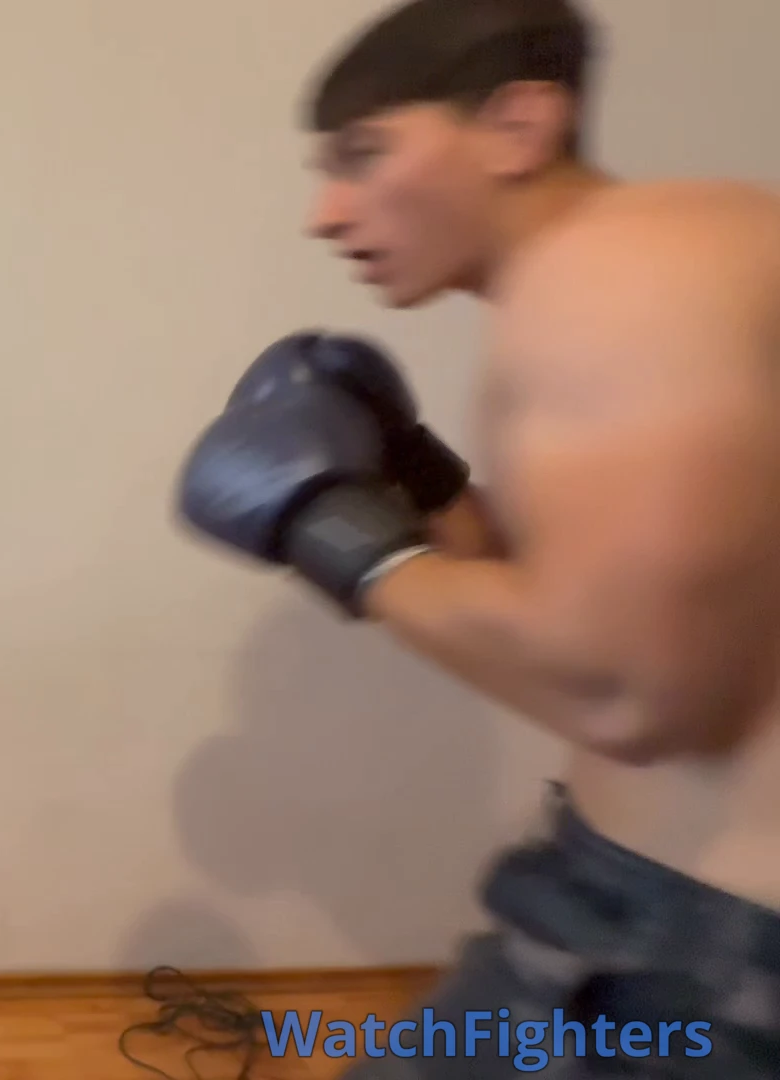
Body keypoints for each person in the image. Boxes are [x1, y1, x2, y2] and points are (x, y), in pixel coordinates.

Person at [178, 0, 780, 1074]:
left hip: (696, 958)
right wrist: (417, 476)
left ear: (517, 125)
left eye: (364, 154)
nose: (325, 212)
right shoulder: (687, 246)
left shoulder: (615, 280)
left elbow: (628, 693)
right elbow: (604, 591)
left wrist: (328, 529)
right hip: (662, 916)